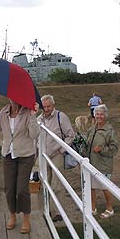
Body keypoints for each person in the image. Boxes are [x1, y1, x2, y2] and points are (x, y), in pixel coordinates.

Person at [0, 99, 40, 234]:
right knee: (9, 188)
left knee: (21, 189)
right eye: (10, 96)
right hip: (8, 155)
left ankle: (26, 218)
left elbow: (34, 134)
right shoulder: (4, 112)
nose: (13, 99)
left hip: (25, 155)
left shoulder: (27, 112)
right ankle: (12, 215)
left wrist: (32, 116)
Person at [36, 94, 75, 222]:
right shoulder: (38, 119)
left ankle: (58, 211)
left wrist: (62, 150)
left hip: (56, 154)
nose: (46, 109)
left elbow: (70, 135)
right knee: (42, 183)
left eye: (48, 106)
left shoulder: (61, 117)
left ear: (53, 106)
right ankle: (44, 210)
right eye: (44, 107)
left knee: (57, 184)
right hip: (42, 155)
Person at [84, 104, 118, 218]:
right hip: (91, 164)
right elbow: (87, 144)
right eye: (97, 114)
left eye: (101, 114)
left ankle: (110, 208)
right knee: (91, 187)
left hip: (103, 165)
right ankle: (93, 207)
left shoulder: (109, 131)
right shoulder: (92, 129)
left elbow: (114, 149)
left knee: (105, 188)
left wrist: (101, 150)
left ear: (105, 115)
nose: (99, 116)